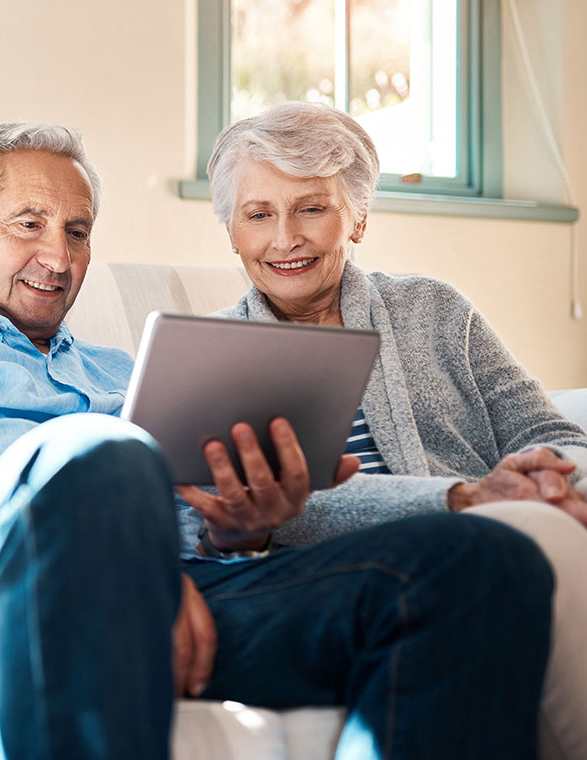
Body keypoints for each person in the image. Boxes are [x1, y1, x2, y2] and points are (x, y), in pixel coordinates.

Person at [0, 121, 554, 760]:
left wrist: (246, 523)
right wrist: (108, 555)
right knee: (100, 455)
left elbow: (201, 525)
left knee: (481, 563)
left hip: (165, 599)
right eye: (28, 224)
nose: (58, 257)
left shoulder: (129, 373)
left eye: (78, 232)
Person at [205, 100, 587, 760]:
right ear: (232, 232)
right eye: (258, 214)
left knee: (546, 519)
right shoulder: (213, 355)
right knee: (535, 530)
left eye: (311, 208)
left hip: (496, 545)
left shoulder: (432, 309)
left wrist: (550, 476)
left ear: (358, 217)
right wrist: (466, 497)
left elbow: (548, 429)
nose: (284, 238)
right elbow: (279, 509)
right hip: (354, 582)